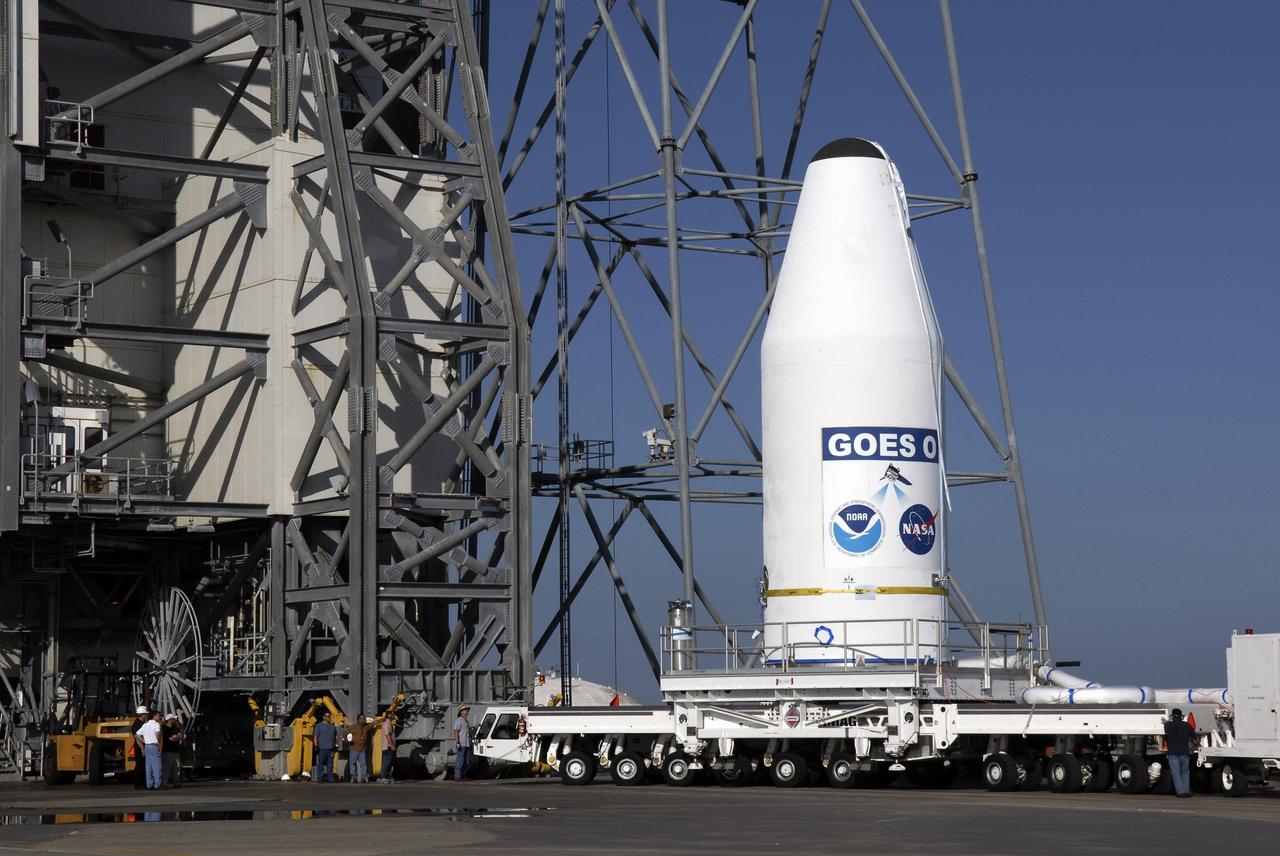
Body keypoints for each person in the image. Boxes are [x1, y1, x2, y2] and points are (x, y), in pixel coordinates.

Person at [1164, 708, 1198, 797]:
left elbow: (1167, 729)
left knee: (1176, 773)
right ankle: (1186, 790)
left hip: (1173, 752)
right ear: (1181, 716)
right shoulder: (1187, 725)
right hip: (1184, 752)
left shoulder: (1167, 726)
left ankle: (1180, 792)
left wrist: (1166, 722)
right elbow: (1194, 736)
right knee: (1185, 772)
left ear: (1172, 716)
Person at [135, 710, 164, 789]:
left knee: (148, 766)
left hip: (147, 746)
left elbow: (137, 735)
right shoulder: (156, 724)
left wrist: (144, 741)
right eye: (158, 715)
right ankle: (157, 784)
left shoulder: (145, 724)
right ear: (154, 716)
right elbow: (158, 733)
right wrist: (158, 742)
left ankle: (149, 784)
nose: (160, 717)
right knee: (157, 766)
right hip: (154, 746)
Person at [343, 714, 372, 783]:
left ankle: (363, 778)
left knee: (363, 764)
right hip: (354, 749)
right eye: (362, 718)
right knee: (353, 764)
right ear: (358, 720)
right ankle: (354, 778)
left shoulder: (366, 727)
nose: (364, 720)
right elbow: (344, 733)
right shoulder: (353, 727)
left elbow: (374, 723)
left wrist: (383, 719)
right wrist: (348, 742)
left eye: (364, 718)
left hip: (362, 749)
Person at [313, 711, 338, 783]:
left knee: (330, 765)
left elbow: (336, 736)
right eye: (327, 716)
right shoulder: (318, 726)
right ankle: (320, 778)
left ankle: (330, 778)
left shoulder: (333, 726)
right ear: (323, 717)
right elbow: (315, 736)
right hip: (322, 748)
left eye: (329, 716)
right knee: (320, 764)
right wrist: (316, 746)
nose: (328, 718)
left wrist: (336, 746)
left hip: (331, 748)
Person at [160, 714, 184, 788]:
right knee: (166, 768)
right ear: (170, 719)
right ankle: (164, 783)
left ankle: (176, 783)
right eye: (173, 718)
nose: (175, 720)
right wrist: (177, 737)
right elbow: (170, 739)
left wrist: (176, 737)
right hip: (167, 751)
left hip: (176, 751)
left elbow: (181, 736)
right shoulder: (164, 728)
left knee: (177, 768)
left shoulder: (175, 727)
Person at [130, 705, 149, 790]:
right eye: (145, 714)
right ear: (142, 714)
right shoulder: (137, 724)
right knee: (140, 766)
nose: (147, 715)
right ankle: (138, 784)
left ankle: (142, 783)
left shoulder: (142, 723)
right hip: (139, 747)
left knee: (143, 765)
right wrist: (142, 748)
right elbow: (137, 737)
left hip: (142, 747)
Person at [453, 705, 472, 782]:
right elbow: (455, 731)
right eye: (465, 710)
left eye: (467, 710)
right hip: (462, 743)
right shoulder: (459, 720)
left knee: (466, 761)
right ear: (461, 712)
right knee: (460, 760)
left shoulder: (466, 721)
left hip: (467, 743)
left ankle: (462, 775)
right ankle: (457, 776)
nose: (467, 711)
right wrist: (457, 742)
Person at [377, 712, 396, 783]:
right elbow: (387, 735)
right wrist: (392, 745)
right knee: (386, 762)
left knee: (389, 762)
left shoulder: (389, 723)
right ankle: (383, 777)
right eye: (393, 715)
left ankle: (388, 777)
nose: (394, 716)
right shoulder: (386, 724)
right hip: (388, 746)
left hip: (389, 746)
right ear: (389, 716)